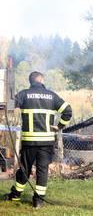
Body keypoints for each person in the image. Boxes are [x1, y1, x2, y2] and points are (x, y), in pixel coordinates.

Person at [6, 71, 72, 208]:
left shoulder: (24, 94)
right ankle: (38, 201)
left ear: (30, 81)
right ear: (41, 80)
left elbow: (9, 106)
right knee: (42, 170)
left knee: (25, 168)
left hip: (30, 141)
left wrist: (9, 86)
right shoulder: (52, 95)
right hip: (47, 142)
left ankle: (16, 195)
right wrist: (59, 126)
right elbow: (68, 111)